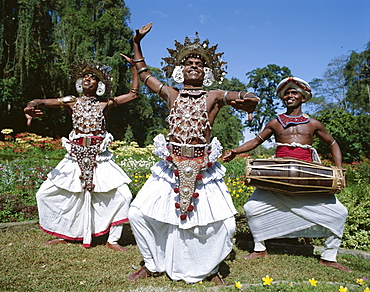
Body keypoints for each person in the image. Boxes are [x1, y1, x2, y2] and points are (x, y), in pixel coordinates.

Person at [127, 23, 259, 284]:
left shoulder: (214, 96)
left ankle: (210, 269)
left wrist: (250, 99)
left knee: (225, 225)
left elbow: (245, 95)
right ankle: (153, 263)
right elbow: (144, 75)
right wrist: (136, 43)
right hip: (169, 166)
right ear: (180, 70)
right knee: (137, 214)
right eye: (189, 63)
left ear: (207, 72)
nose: (194, 65)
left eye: (199, 63)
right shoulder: (171, 94)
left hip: (203, 168)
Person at [223, 76, 351, 272]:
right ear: (283, 98)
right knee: (251, 208)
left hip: (307, 178)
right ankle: (260, 248)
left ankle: (329, 256)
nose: (290, 95)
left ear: (303, 97)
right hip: (277, 175)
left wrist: (338, 168)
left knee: (339, 213)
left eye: (294, 92)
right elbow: (256, 141)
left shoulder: (313, 124)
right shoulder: (275, 123)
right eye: (287, 93)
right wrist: (236, 151)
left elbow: (332, 143)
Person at [23, 55, 138, 251]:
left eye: (93, 77)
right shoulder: (70, 102)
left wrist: (135, 68)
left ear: (99, 84)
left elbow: (133, 94)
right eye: (85, 76)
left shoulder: (105, 104)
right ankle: (66, 233)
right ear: (79, 81)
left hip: (100, 157)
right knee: (46, 193)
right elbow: (41, 101)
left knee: (124, 195)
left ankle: (113, 239)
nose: (88, 79)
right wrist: (31, 106)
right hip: (74, 156)